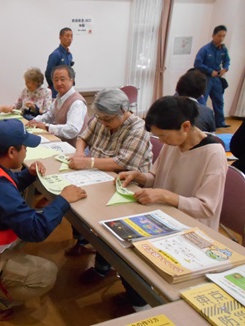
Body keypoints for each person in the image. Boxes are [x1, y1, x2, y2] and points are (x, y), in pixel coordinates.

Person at [0, 118, 87, 321]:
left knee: (30, 220)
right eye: (24, 147)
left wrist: (28, 174)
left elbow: (7, 187)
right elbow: (36, 230)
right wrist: (63, 199)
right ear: (12, 152)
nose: (26, 152)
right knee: (46, 274)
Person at [115, 96, 227, 314]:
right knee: (120, 249)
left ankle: (146, 305)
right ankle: (139, 298)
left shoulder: (213, 153)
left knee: (131, 259)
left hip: (193, 232)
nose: (162, 141)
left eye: (164, 136)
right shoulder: (173, 143)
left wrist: (166, 196)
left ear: (185, 126)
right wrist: (139, 176)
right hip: (163, 219)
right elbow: (155, 176)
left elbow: (206, 208)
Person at [66, 88, 152, 279]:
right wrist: (80, 153)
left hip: (123, 185)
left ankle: (104, 268)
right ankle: (85, 242)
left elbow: (123, 164)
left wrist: (88, 162)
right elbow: (83, 137)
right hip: (97, 177)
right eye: (100, 118)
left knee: (107, 225)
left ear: (123, 110)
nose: (103, 123)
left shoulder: (138, 128)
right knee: (72, 198)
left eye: (108, 119)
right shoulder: (101, 117)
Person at [27, 65, 86, 146]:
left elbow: (72, 130)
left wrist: (47, 127)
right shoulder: (58, 98)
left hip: (74, 148)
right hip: (60, 142)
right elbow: (49, 116)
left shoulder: (77, 102)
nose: (59, 83)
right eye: (56, 80)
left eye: (62, 79)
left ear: (71, 80)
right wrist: (34, 121)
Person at [194, 25, 231, 128]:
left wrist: (225, 68)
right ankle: (200, 123)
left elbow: (227, 61)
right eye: (219, 36)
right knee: (202, 101)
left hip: (217, 79)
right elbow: (197, 64)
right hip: (206, 78)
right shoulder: (205, 49)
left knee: (219, 100)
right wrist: (210, 71)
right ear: (213, 35)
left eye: (223, 36)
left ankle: (220, 122)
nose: (221, 38)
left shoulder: (223, 49)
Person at [45, 27, 74, 98]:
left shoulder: (69, 54)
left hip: (68, 89)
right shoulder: (56, 54)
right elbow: (48, 73)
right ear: (60, 37)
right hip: (57, 90)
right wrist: (55, 85)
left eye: (71, 36)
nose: (70, 38)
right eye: (67, 36)